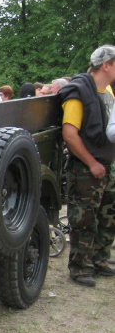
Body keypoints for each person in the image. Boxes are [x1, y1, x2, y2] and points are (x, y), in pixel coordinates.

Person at [58, 45, 115, 287]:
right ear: (107, 65)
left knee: (107, 217)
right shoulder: (78, 91)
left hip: (107, 163)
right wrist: (92, 164)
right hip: (85, 168)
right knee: (84, 219)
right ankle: (81, 267)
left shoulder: (109, 91)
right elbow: (69, 134)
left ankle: (99, 259)